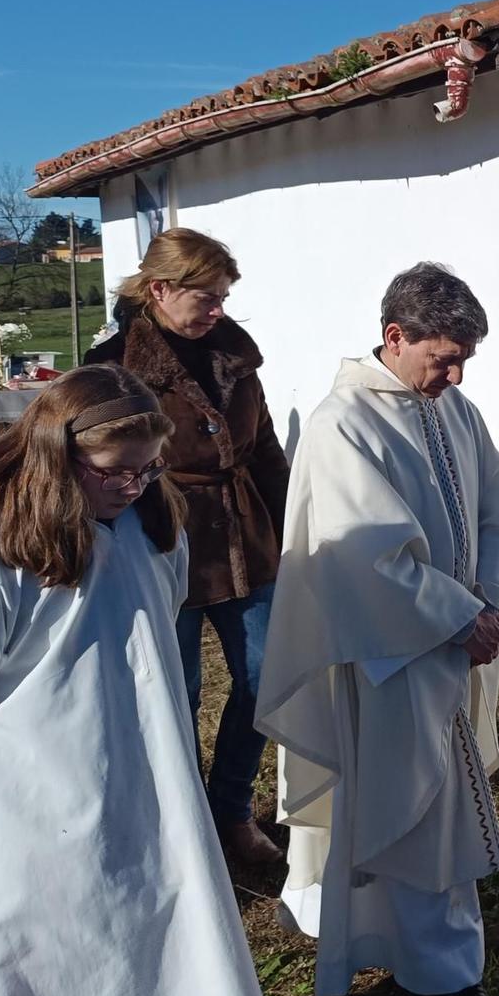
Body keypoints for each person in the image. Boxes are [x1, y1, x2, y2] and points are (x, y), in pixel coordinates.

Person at [0, 366, 279, 996]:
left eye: (149, 466)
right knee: (38, 958)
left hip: (135, 769)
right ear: (59, 454)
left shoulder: (153, 522)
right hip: (22, 795)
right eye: (115, 472)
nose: (136, 484)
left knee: (130, 938)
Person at [257, 263, 499, 996]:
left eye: (465, 358)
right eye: (443, 357)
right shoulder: (346, 424)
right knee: (411, 816)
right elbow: (359, 558)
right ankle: (438, 981)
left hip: (449, 645)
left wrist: (491, 606)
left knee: (438, 811)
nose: (456, 373)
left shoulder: (456, 411)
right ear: (394, 336)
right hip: (388, 657)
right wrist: (455, 618)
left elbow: (497, 509)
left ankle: (434, 965)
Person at [86, 228, 290, 865]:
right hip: (158, 540)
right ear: (160, 289)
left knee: (266, 678)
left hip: (246, 540)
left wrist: (293, 534)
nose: (218, 309)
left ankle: (229, 813)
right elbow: (86, 463)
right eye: (207, 296)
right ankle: (182, 826)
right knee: (174, 694)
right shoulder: (114, 368)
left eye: (224, 296)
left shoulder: (236, 357)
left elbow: (263, 451)